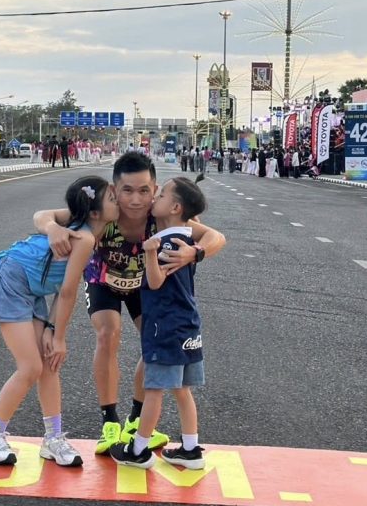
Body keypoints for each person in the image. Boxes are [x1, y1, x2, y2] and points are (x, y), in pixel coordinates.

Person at [34, 151, 226, 455]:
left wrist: (196, 252)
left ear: (155, 189)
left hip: (145, 287)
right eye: (127, 191)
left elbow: (216, 237)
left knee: (154, 341)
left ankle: (136, 418)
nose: (136, 200)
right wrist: (52, 228)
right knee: (107, 333)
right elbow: (43, 215)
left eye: (144, 191)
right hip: (103, 282)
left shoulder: (160, 215)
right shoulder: (104, 211)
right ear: (114, 190)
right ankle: (109, 421)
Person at [0, 176, 119, 467]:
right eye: (112, 198)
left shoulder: (92, 226)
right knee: (30, 367)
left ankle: (53, 439)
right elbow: (67, 292)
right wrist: (59, 339)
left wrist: (53, 331)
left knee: (49, 364)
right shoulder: (86, 238)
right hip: (11, 281)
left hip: (32, 288)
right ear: (95, 212)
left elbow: (63, 290)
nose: (118, 201)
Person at [110, 177, 225, 469]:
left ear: (175, 208)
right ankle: (190, 448)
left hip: (164, 325)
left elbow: (155, 281)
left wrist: (149, 252)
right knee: (182, 389)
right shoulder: (187, 238)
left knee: (154, 389)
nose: (154, 198)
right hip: (187, 324)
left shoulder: (167, 243)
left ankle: (138, 450)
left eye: (160, 195)